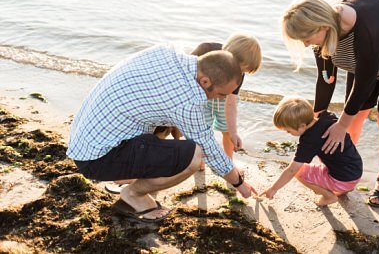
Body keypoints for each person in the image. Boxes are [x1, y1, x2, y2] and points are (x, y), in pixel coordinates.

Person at [281, 0, 379, 207]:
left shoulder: (367, 25)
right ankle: (344, 171)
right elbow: (326, 79)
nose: (306, 45)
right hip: (366, 61)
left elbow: (365, 82)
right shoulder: (323, 34)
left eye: (306, 38)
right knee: (354, 115)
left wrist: (342, 125)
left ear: (323, 26)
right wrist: (316, 120)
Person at [68, 45, 256, 223]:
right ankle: (132, 195)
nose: (222, 99)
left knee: (168, 123)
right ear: (205, 81)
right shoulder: (187, 101)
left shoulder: (167, 51)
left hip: (84, 138)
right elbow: (209, 149)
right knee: (194, 155)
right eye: (222, 94)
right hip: (97, 159)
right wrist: (239, 184)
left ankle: (131, 175)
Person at [260, 97, 363, 206]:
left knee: (299, 172)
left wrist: (273, 189)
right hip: (356, 171)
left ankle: (329, 196)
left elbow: (292, 170)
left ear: (302, 126)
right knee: (334, 161)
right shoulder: (327, 117)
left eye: (288, 130)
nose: (287, 133)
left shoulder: (309, 140)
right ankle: (344, 188)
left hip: (342, 181)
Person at [190, 34, 263, 158]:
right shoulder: (205, 49)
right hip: (201, 96)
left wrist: (234, 133)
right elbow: (185, 71)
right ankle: (199, 160)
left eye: (242, 72)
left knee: (228, 131)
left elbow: (231, 103)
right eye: (239, 69)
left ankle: (229, 161)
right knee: (201, 129)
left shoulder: (238, 74)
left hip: (225, 99)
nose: (238, 74)